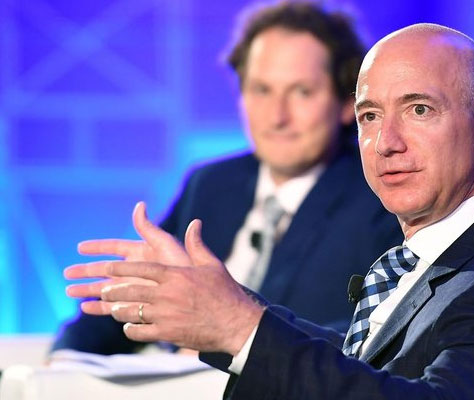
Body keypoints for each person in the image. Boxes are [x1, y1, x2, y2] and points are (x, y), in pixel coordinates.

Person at [65, 23, 474, 399]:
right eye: (370, 116)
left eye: (419, 109)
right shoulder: (432, 259)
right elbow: (364, 363)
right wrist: (226, 311)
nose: (387, 142)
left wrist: (241, 328)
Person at [52, 2, 403, 355]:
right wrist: (64, 359)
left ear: (347, 104)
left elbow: (377, 336)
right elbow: (119, 306)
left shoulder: (382, 199)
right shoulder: (210, 184)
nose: (277, 116)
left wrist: (222, 344)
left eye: (302, 92)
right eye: (261, 90)